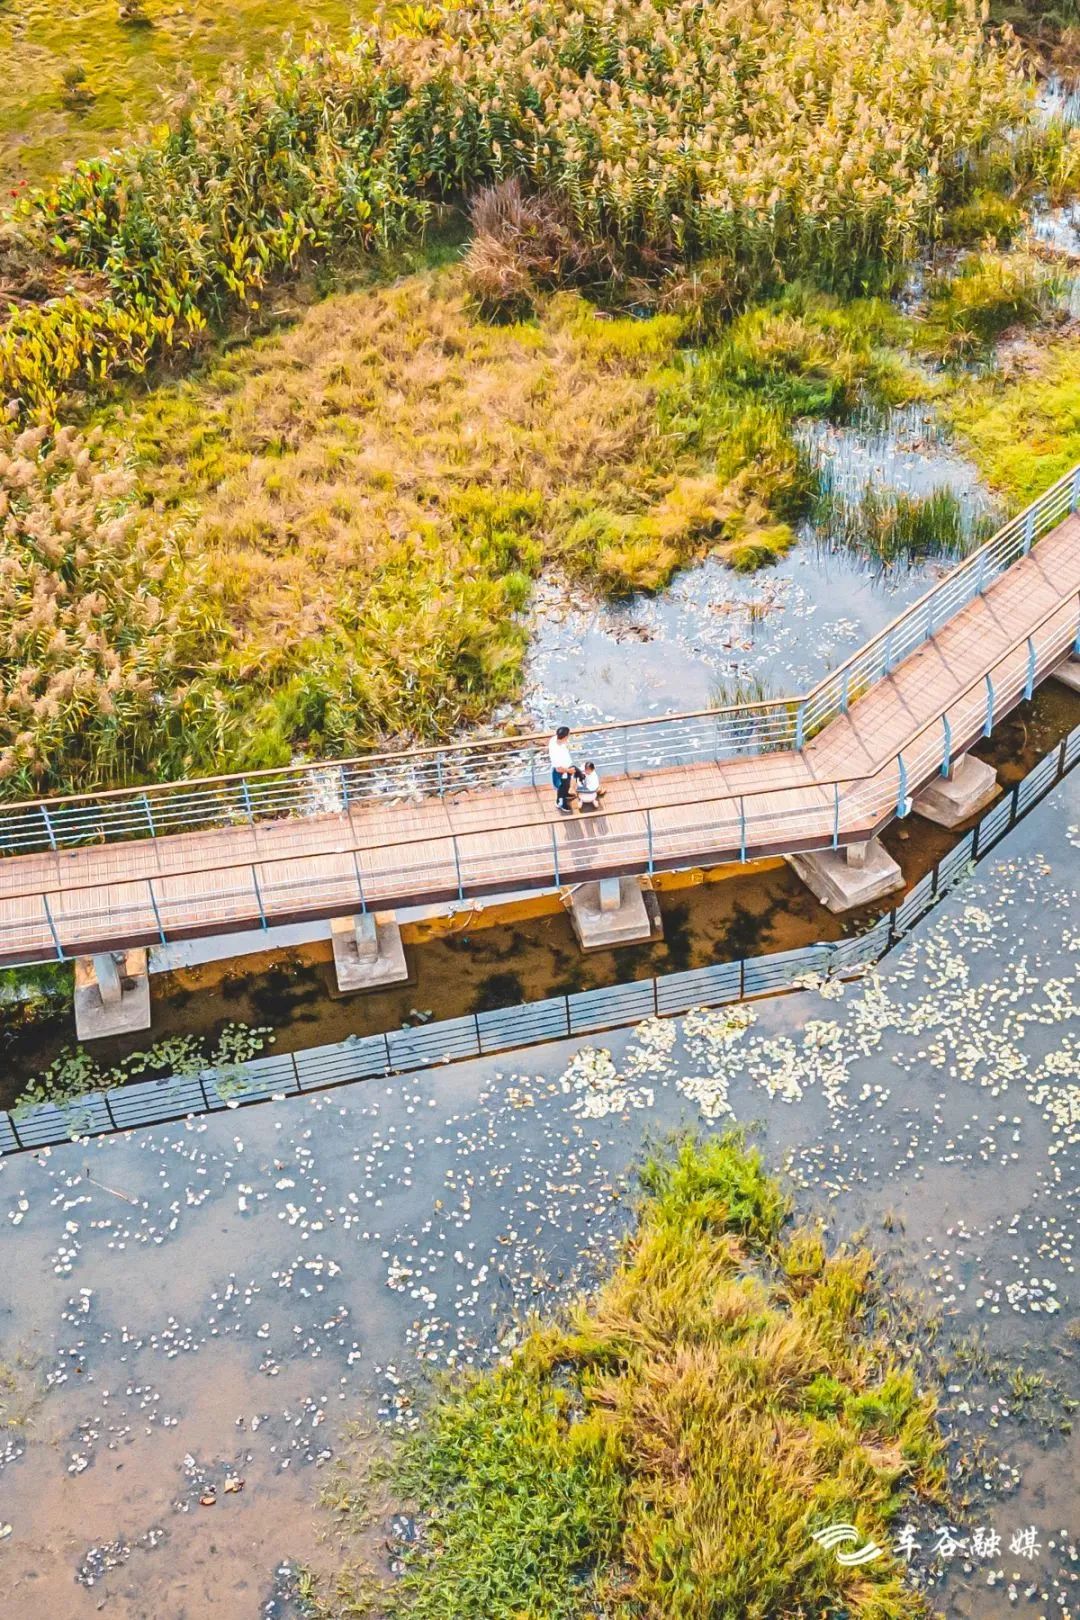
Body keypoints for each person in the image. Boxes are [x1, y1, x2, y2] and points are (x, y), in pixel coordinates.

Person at [548, 724, 577, 813]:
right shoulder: (556, 751)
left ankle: (566, 794)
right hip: (562, 772)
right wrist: (569, 770)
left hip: (566, 769)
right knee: (562, 787)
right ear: (565, 737)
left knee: (566, 785)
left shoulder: (554, 739)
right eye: (568, 735)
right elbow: (558, 769)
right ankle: (561, 803)